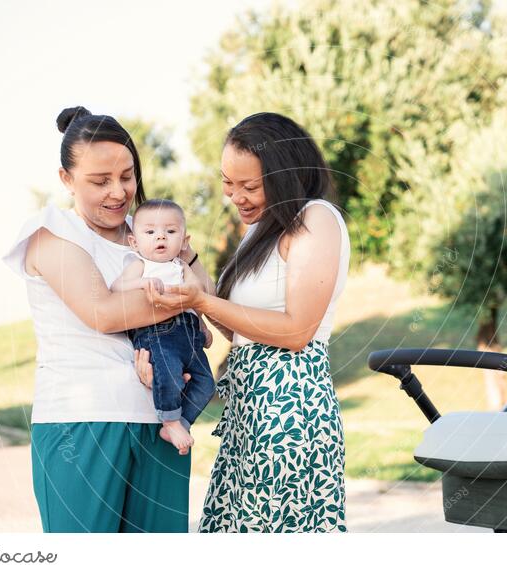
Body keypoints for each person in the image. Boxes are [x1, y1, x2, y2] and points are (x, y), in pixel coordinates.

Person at [135, 112, 350, 532]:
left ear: (286, 175)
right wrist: (190, 267)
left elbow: (296, 330)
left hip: (290, 409)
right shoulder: (262, 230)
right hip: (250, 410)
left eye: (249, 186)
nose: (234, 196)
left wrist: (203, 301)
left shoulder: (315, 218)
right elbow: (239, 329)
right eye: (228, 183)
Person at [2, 106, 210, 532]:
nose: (119, 192)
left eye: (127, 176)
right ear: (66, 179)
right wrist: (185, 301)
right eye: (100, 181)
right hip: (82, 422)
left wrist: (185, 255)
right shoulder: (52, 232)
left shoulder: (150, 231)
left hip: (161, 422)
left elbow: (205, 295)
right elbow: (104, 312)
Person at [111, 199, 216, 454]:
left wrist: (202, 324)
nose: (161, 237)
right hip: (159, 334)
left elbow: (197, 294)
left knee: (206, 384)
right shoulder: (140, 265)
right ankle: (169, 419)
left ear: (183, 240)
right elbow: (116, 288)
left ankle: (181, 422)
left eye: (170, 231)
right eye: (150, 232)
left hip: (189, 334)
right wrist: (143, 283)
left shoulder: (181, 266)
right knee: (168, 375)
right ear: (135, 242)